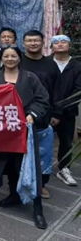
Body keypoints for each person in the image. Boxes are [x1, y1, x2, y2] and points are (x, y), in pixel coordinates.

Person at [0, 45, 50, 229]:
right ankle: (14, 194)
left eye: (13, 56)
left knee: (31, 166)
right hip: (4, 131)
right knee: (9, 164)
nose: (10, 59)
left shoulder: (30, 77)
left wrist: (32, 115)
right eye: (6, 56)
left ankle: (37, 208)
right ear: (1, 59)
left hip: (25, 130)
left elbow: (43, 99)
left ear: (19, 58)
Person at [20, 30, 61, 198]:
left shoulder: (51, 64)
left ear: (43, 42)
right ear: (23, 43)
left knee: (43, 152)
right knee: (20, 151)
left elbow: (57, 89)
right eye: (29, 40)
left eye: (36, 40)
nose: (33, 43)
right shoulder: (17, 61)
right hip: (20, 115)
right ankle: (18, 183)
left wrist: (56, 113)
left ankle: (41, 184)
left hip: (44, 115)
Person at [51, 35, 80, 187]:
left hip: (68, 112)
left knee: (66, 142)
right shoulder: (47, 63)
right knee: (42, 141)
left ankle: (64, 169)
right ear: (51, 47)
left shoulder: (77, 65)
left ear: (69, 46)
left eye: (64, 42)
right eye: (56, 42)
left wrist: (60, 109)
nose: (60, 44)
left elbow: (78, 90)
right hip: (47, 111)